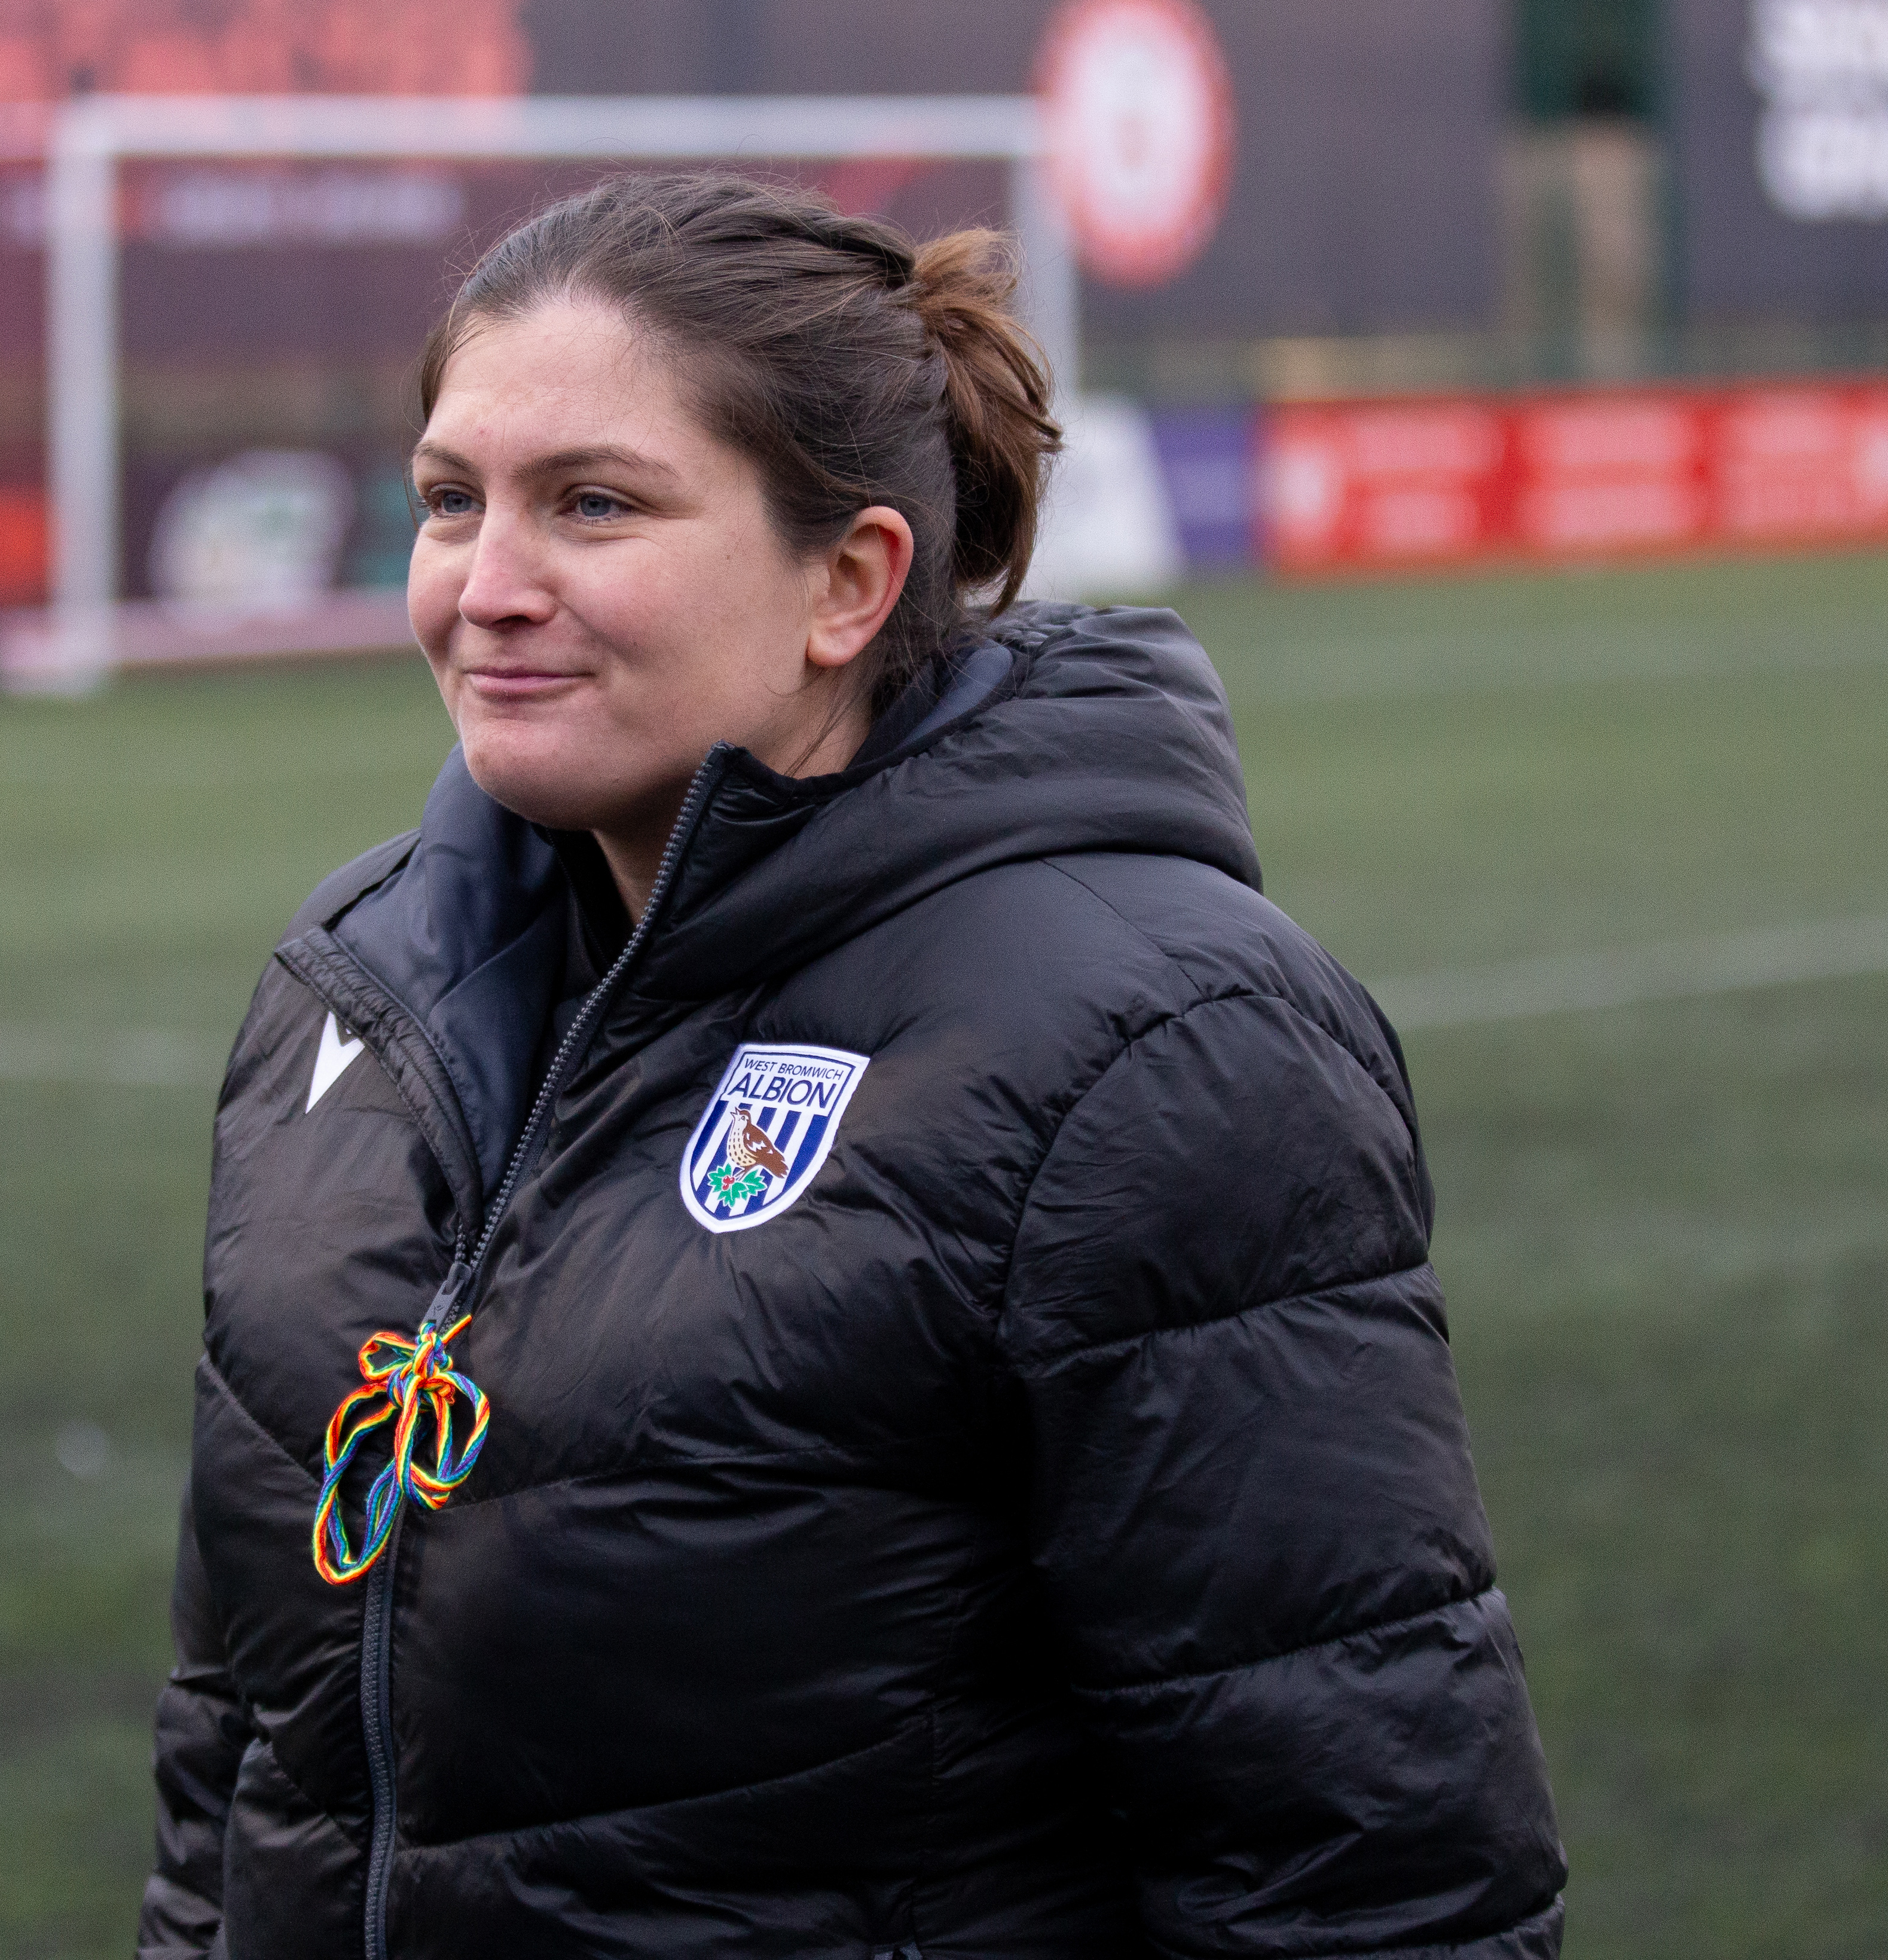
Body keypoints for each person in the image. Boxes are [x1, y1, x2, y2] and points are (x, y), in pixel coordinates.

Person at [140, 174, 1565, 1960]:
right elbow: (237, 1758)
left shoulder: (1155, 1045)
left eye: (592, 504)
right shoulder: (345, 1001)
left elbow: (1362, 1872)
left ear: (848, 578)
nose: (486, 587)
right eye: (450, 502)